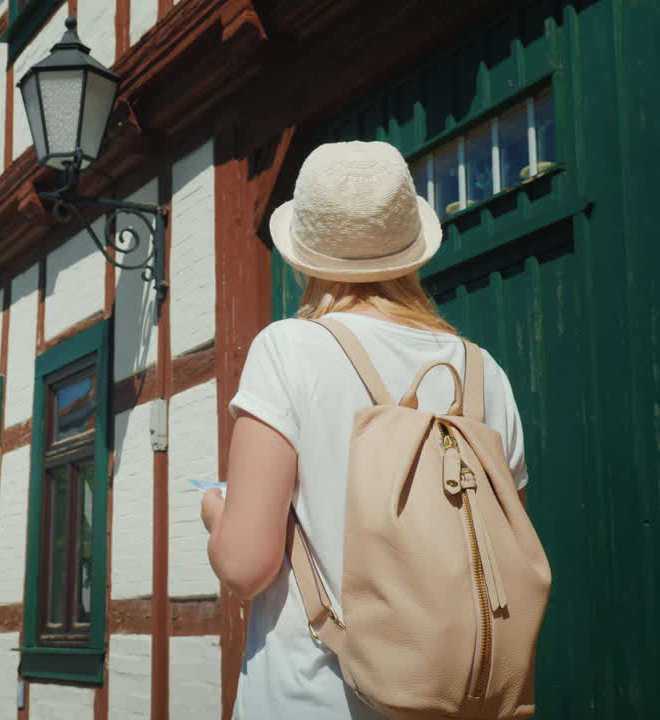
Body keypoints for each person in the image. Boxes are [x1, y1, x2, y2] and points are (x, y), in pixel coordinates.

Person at [200, 141, 529, 719]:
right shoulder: (481, 371)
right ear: (411, 253)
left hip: (316, 700)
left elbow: (246, 566)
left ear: (304, 259)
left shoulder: (289, 348)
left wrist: (213, 509)